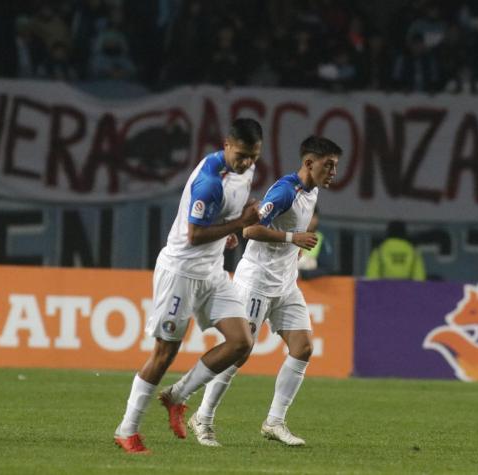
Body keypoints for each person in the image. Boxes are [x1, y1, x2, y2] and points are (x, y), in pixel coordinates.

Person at [113, 118, 263, 454]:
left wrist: (227, 233)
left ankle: (177, 397)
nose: (247, 163)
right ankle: (127, 430)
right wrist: (239, 224)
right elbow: (194, 236)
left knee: (242, 342)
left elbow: (223, 216)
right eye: (241, 155)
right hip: (181, 272)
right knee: (164, 353)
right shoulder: (210, 182)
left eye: (253, 156)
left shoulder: (245, 170)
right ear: (226, 144)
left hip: (211, 270)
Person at [188, 135, 341, 447]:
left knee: (303, 348)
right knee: (238, 353)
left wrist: (291, 250)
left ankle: (274, 421)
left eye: (336, 167)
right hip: (256, 282)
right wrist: (291, 239)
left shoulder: (311, 192)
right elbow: (249, 230)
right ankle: (202, 417)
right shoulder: (285, 190)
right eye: (329, 165)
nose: (333, 172)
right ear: (309, 163)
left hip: (285, 283)